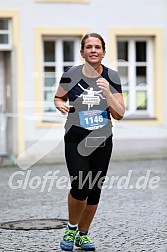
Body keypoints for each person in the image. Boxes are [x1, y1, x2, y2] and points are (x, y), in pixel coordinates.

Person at [54, 32, 125, 251]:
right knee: (80, 184)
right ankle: (71, 228)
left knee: (94, 189)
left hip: (102, 138)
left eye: (97, 47)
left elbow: (120, 113)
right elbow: (58, 97)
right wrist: (60, 105)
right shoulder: (70, 74)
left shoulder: (112, 77)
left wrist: (108, 93)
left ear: (104, 52)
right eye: (89, 47)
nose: (93, 50)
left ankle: (83, 235)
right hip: (76, 137)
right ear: (82, 52)